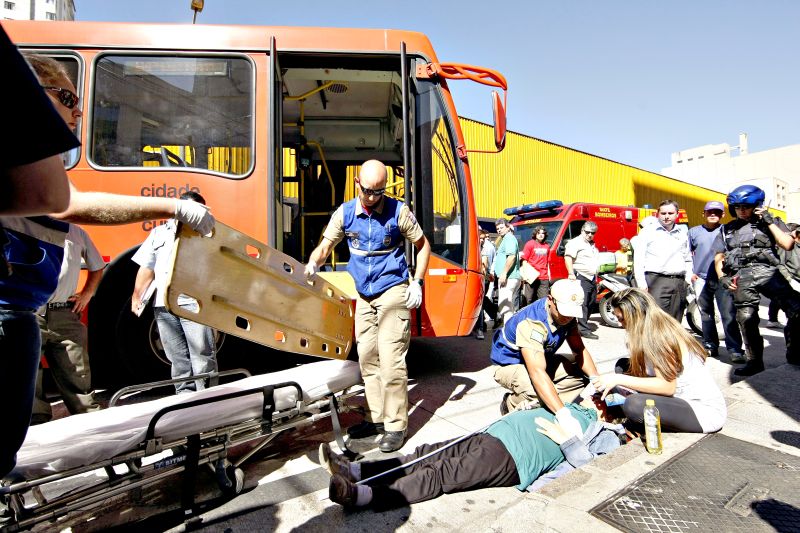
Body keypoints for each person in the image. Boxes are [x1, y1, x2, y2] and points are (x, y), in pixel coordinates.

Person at [304, 160, 430, 453]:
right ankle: (376, 418)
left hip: (392, 290)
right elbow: (326, 246)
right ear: (357, 184)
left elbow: (423, 245)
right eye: (367, 191)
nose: (372, 197)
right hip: (363, 294)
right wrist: (313, 263)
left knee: (391, 360)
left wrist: (417, 282)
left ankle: (396, 426)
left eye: (378, 192)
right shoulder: (345, 213)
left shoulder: (398, 212)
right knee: (367, 358)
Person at [321, 395, 621, 509]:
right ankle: (357, 470)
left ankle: (362, 496)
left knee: (441, 473)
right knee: (428, 453)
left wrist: (568, 441)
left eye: (604, 398)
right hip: (496, 433)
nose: (597, 397)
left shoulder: (607, 436)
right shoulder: (576, 404)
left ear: (611, 413)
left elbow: (593, 471)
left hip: (515, 456)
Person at [594, 288, 727, 434]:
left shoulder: (659, 337)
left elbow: (667, 387)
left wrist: (618, 379)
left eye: (621, 319)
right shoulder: (651, 328)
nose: (620, 324)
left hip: (702, 412)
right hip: (675, 398)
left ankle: (633, 424)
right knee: (623, 366)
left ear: (635, 316)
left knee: (634, 405)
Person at [131, 192, 218, 394]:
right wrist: (137, 296)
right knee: (176, 357)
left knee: (202, 355)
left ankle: (207, 398)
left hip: (195, 303)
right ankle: (184, 397)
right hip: (164, 304)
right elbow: (147, 267)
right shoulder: (159, 233)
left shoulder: (209, 234)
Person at [490, 279, 600, 439]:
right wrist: (563, 415)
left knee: (580, 372)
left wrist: (596, 381)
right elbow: (537, 372)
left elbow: (579, 350)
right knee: (533, 390)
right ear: (550, 300)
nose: (568, 317)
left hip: (538, 359)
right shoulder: (533, 323)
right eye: (565, 311)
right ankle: (510, 404)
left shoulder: (567, 316)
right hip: (509, 365)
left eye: (572, 313)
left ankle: (549, 403)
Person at [713, 185, 800, 376]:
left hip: (768, 272)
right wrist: (722, 277)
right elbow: (719, 256)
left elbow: (787, 244)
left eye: (746, 206)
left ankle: (795, 352)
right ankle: (755, 362)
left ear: (756, 206)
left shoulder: (771, 222)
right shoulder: (726, 229)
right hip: (740, 275)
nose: (742, 211)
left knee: (796, 308)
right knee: (746, 318)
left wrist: (768, 220)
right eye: (737, 207)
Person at [32, 223, 104, 424]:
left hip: (64, 312)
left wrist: (87, 293)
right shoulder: (24, 223)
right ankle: (36, 420)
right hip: (31, 312)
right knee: (29, 373)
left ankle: (89, 418)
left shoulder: (76, 231)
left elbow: (97, 265)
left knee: (76, 368)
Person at [688, 201, 745, 362]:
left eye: (717, 212)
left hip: (722, 278)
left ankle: (735, 349)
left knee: (728, 314)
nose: (713, 214)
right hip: (701, 279)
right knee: (705, 314)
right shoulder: (693, 232)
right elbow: (686, 253)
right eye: (709, 211)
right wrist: (691, 273)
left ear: (723, 214)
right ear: (703, 213)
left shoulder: (727, 230)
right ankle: (710, 345)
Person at [633, 200, 692, 322]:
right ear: (657, 214)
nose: (666, 216)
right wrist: (641, 283)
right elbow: (638, 259)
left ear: (677, 214)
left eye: (670, 213)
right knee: (657, 321)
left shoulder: (683, 233)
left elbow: (687, 258)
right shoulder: (648, 232)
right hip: (656, 282)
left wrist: (687, 280)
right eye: (663, 213)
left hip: (679, 283)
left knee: (675, 322)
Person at [564, 221, 599, 339]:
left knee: (591, 302)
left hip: (591, 277)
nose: (590, 235)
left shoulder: (591, 244)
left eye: (592, 233)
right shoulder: (575, 242)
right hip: (581, 276)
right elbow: (568, 258)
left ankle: (580, 326)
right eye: (587, 232)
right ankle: (583, 329)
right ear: (582, 230)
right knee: (583, 303)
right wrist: (571, 273)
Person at [493, 218, 521, 326]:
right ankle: (510, 328)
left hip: (509, 277)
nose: (499, 230)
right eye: (497, 229)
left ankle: (507, 330)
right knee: (508, 307)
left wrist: (504, 273)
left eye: (501, 227)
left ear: (508, 227)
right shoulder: (505, 239)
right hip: (509, 277)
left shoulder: (509, 238)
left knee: (506, 307)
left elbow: (511, 256)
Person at [474, 228, 496, 340]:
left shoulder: (485, 249)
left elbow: (485, 267)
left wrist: (488, 274)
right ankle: (494, 314)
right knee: (481, 302)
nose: (482, 240)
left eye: (483, 238)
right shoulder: (473, 248)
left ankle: (480, 328)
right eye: (480, 238)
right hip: (476, 278)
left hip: (483, 279)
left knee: (481, 303)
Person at [520, 225, 551, 304]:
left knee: (543, 301)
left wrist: (549, 275)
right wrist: (525, 276)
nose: (541, 235)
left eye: (542, 233)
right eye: (538, 233)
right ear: (535, 234)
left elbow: (547, 262)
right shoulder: (529, 244)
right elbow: (524, 261)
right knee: (529, 300)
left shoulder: (547, 246)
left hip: (543, 277)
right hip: (531, 277)